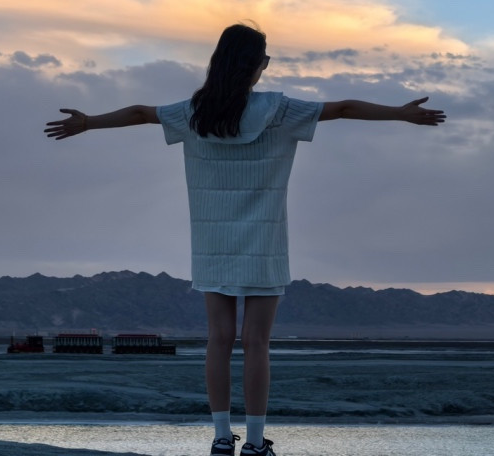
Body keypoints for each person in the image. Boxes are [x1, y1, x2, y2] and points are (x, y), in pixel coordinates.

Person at [44, 23, 445, 456]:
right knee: (257, 343)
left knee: (218, 340)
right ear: (257, 65)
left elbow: (141, 112)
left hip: (212, 240)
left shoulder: (195, 113)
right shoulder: (280, 110)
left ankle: (221, 438)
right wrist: (400, 113)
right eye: (264, 56)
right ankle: (254, 443)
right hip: (264, 242)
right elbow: (345, 107)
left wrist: (89, 123)